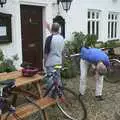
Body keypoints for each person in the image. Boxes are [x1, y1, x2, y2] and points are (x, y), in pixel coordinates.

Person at [44, 22, 65, 90]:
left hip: (50, 63)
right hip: (58, 62)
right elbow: (63, 52)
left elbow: (46, 53)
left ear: (52, 28)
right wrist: (62, 62)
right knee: (57, 76)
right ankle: (59, 93)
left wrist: (45, 62)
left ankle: (51, 96)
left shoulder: (49, 39)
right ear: (58, 29)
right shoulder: (62, 38)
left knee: (50, 79)